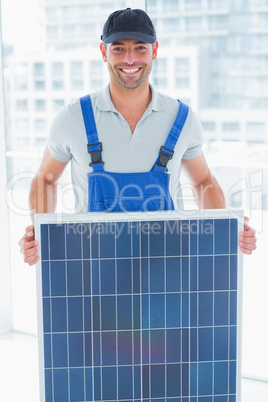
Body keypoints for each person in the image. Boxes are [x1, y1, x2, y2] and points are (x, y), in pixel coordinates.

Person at [19, 8, 256, 265]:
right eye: (118, 48)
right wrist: (38, 234)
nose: (130, 59)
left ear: (154, 51)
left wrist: (226, 226)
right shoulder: (72, 118)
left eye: (140, 48)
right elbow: (45, 179)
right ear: (103, 52)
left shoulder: (183, 119)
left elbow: (203, 181)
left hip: (165, 267)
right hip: (94, 267)